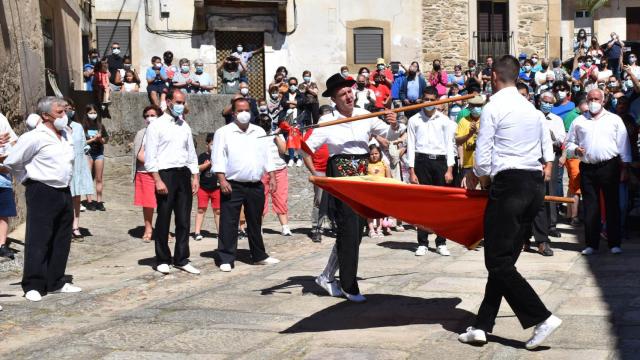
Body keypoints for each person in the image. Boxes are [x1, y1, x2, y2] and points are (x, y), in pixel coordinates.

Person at [458, 55, 561, 349]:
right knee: (505, 261)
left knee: (497, 260)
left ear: (493, 76)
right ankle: (481, 325)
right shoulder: (532, 110)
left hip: (510, 185)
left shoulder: (494, 107)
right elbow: (546, 150)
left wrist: (485, 182)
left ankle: (541, 317)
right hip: (533, 186)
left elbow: (483, 158)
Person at [303, 73, 401, 303]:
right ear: (334, 100)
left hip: (363, 176)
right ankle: (349, 285)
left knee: (356, 232)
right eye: (342, 94)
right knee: (348, 229)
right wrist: (316, 174)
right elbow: (305, 147)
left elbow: (388, 134)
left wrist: (394, 124)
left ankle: (327, 276)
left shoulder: (365, 115)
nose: (348, 96)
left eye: (349, 92)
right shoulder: (328, 122)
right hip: (341, 176)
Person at [2, 96, 82, 302]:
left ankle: (56, 280)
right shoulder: (35, 137)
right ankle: (33, 283)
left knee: (62, 237)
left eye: (65, 111)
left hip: (63, 189)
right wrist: (26, 179)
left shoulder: (65, 135)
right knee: (39, 237)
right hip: (42, 189)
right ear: (45, 115)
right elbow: (13, 161)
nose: (64, 115)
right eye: (59, 112)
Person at [211, 97, 280, 272]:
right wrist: (221, 179)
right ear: (233, 113)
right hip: (233, 184)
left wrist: (271, 176)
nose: (244, 114)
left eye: (247, 110)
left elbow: (267, 156)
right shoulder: (223, 132)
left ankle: (259, 255)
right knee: (229, 221)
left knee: (255, 221)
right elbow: (218, 157)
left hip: (255, 183)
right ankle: (226, 257)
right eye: (240, 110)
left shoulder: (258, 131)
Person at [565, 88, 631, 255]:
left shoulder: (614, 120)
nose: (593, 102)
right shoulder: (579, 121)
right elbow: (569, 143)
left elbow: (623, 144)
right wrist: (575, 150)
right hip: (587, 168)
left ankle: (614, 243)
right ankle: (591, 244)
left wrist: (625, 167)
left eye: (597, 99)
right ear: (587, 101)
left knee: (612, 205)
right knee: (590, 207)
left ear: (603, 101)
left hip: (609, 166)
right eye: (590, 99)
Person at [144, 89, 201, 275]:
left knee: (183, 219)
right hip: (165, 174)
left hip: (183, 173)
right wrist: (157, 180)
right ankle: (162, 258)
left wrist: (195, 176)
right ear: (168, 102)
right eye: (178, 102)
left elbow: (191, 153)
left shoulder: (184, 126)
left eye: (183, 102)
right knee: (164, 217)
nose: (180, 106)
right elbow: (150, 156)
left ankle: (181, 257)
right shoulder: (156, 126)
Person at [407, 86, 455, 257]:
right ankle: (422, 242)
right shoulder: (414, 120)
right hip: (421, 161)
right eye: (426, 99)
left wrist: (449, 168)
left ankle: (441, 241)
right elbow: (411, 146)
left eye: (431, 99)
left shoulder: (444, 121)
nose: (428, 102)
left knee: (441, 204)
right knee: (423, 203)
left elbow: (450, 145)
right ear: (422, 100)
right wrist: (411, 171)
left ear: (437, 100)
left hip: (440, 162)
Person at [66, 100, 94, 241]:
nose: (67, 111)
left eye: (69, 108)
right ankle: (63, 227)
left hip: (77, 166)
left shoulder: (77, 127)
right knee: (64, 198)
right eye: (64, 108)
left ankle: (75, 226)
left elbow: (84, 147)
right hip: (62, 168)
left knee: (76, 197)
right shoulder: (55, 127)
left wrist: (85, 168)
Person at [132, 105, 161, 243]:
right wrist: (152, 163)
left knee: (164, 203)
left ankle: (163, 230)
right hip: (145, 172)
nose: (150, 118)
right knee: (148, 203)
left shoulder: (165, 131)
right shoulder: (141, 133)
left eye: (153, 115)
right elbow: (139, 154)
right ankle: (148, 229)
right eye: (147, 115)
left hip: (162, 172)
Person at [560, 93, 587, 226]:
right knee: (576, 187)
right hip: (573, 156)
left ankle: (570, 214)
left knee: (572, 186)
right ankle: (574, 216)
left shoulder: (585, 115)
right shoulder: (572, 116)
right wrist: (564, 155)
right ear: (582, 104)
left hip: (580, 156)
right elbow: (566, 138)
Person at [307, 105, 332, 243]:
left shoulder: (336, 129)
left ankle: (330, 224)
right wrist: (313, 172)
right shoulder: (312, 131)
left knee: (332, 201)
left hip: (333, 170)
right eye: (325, 115)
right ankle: (315, 227)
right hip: (319, 171)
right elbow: (305, 153)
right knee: (319, 200)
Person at [261, 127, 291, 236]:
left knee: (281, 198)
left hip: (279, 169)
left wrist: (276, 136)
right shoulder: (256, 135)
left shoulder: (276, 135)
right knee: (260, 199)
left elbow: (283, 150)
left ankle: (285, 227)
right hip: (262, 171)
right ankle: (259, 227)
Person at [194, 132, 221, 241]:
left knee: (218, 211)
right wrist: (206, 165)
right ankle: (197, 232)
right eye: (212, 144)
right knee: (201, 209)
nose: (213, 147)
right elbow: (197, 168)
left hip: (217, 188)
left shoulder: (220, 156)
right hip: (203, 188)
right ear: (207, 144)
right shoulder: (202, 156)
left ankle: (220, 233)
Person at [82, 105, 109, 212]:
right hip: (87, 154)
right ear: (87, 113)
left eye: (94, 112)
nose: (93, 114)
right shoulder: (83, 126)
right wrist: (93, 139)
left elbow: (105, 140)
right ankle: (89, 202)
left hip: (99, 153)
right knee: (88, 178)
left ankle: (99, 202)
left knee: (99, 178)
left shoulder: (100, 126)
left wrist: (100, 139)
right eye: (91, 112)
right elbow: (82, 141)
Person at [455, 95, 484, 190]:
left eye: (479, 106)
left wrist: (477, 132)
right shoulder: (463, 121)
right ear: (470, 107)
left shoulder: (486, 120)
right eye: (474, 106)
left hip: (483, 164)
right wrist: (469, 135)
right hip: (468, 165)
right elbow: (457, 140)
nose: (477, 108)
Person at [0, 112, 18, 259]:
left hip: (3, 175)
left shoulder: (1, 118)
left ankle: (2, 245)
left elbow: (13, 141)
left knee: (3, 213)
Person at [366, 143, 391, 238]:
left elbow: (388, 178)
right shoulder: (367, 164)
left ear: (380, 154)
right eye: (372, 154)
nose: (374, 156)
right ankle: (371, 230)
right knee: (370, 212)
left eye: (376, 153)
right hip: (369, 192)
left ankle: (379, 229)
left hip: (381, 192)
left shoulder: (384, 164)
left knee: (380, 212)